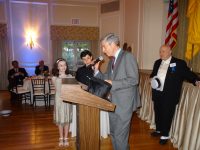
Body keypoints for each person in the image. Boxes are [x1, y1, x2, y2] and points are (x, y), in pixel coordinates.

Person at [94, 33, 140, 150]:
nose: (103, 51)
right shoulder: (112, 60)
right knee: (114, 133)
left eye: (104, 47)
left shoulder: (127, 56)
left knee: (120, 136)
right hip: (112, 103)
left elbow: (134, 79)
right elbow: (107, 79)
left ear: (113, 44)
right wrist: (97, 71)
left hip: (124, 104)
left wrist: (114, 83)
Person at [150, 45, 200, 145]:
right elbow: (153, 74)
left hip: (170, 94)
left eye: (163, 51)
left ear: (170, 51)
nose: (161, 53)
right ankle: (159, 130)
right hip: (157, 92)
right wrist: (151, 79)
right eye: (160, 51)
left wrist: (196, 80)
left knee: (167, 114)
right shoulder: (157, 62)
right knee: (158, 111)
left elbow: (187, 73)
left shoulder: (179, 63)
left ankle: (165, 134)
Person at [52, 58, 72, 147]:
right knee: (60, 120)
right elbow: (57, 90)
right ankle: (61, 137)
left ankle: (66, 137)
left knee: (67, 119)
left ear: (66, 66)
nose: (63, 67)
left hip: (67, 100)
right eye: (61, 65)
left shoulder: (70, 76)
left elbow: (72, 89)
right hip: (59, 100)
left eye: (64, 65)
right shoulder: (54, 78)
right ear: (57, 67)